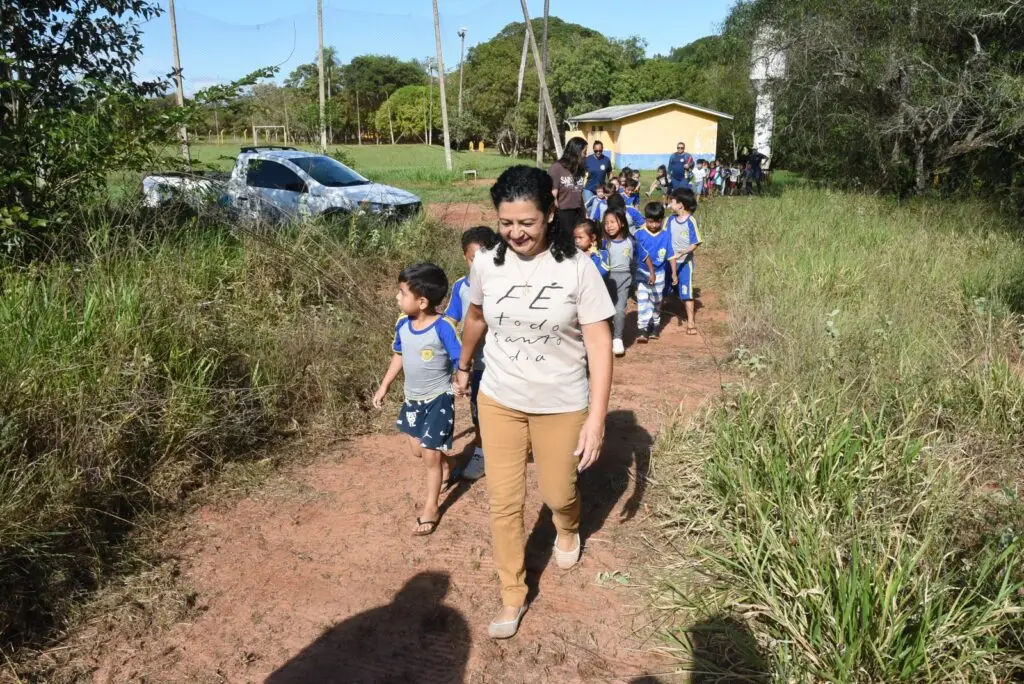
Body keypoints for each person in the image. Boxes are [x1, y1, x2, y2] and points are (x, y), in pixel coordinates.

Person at [454, 165, 614, 640]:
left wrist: (597, 419)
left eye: (526, 222)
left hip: (561, 402)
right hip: (499, 399)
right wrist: (463, 364)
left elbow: (598, 343)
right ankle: (512, 593)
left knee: (558, 493)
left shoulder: (577, 267)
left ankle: (568, 526)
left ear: (550, 212)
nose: (516, 233)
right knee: (503, 502)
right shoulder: (488, 264)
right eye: (506, 223)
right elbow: (476, 317)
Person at [373, 263, 462, 536]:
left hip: (439, 398)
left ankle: (431, 508)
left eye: (402, 293)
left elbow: (460, 359)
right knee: (417, 450)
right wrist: (384, 385)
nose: (397, 297)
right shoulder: (403, 324)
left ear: (422, 302)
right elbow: (399, 355)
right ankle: (450, 464)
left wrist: (461, 381)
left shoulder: (444, 328)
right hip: (412, 399)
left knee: (430, 456)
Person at [445, 226, 501, 480]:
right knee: (478, 410)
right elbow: (451, 320)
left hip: (505, 362)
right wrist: (458, 360)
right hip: (477, 365)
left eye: (484, 260)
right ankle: (481, 451)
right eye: (472, 260)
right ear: (464, 257)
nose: (478, 267)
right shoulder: (461, 287)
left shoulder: (505, 283)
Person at [633, 202, 672, 343]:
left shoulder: (666, 235)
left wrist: (674, 273)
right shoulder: (638, 234)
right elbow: (633, 254)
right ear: (645, 219)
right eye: (650, 222)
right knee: (642, 300)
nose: (654, 225)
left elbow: (671, 255)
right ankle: (642, 328)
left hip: (660, 273)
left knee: (656, 301)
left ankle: (655, 324)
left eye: (657, 222)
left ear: (662, 220)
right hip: (642, 273)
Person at [666, 187, 702, 335]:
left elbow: (696, 243)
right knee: (666, 288)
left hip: (685, 263)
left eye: (672, 202)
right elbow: (663, 236)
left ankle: (691, 322)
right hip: (670, 262)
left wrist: (683, 252)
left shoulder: (691, 221)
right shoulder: (669, 220)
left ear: (680, 205)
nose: (670, 205)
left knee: (686, 292)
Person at [602, 208, 633, 357]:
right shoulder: (603, 243)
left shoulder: (631, 241)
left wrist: (649, 274)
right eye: (606, 223)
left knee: (619, 309)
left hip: (624, 279)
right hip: (605, 280)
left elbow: (642, 257)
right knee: (605, 310)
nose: (609, 226)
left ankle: (618, 338)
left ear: (622, 223)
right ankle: (606, 336)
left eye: (613, 222)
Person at [548, 137, 588, 236]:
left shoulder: (580, 169)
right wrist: (555, 215)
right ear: (576, 152)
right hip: (563, 213)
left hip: (578, 212)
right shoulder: (557, 168)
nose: (586, 155)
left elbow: (579, 194)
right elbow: (553, 195)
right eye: (584, 152)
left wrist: (584, 213)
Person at [582, 140, 612, 208]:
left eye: (600, 150)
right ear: (593, 149)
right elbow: (582, 173)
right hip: (589, 188)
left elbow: (609, 173)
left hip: (601, 189)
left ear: (602, 149)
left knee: (600, 207)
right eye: (596, 151)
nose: (598, 152)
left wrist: (610, 185)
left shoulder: (606, 160)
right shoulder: (587, 160)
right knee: (589, 207)